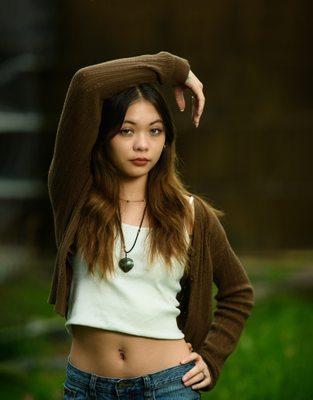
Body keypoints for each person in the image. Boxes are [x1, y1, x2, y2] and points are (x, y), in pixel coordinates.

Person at [47, 51, 255, 399]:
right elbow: (85, 84)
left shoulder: (191, 214)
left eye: (154, 131)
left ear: (166, 139)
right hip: (86, 388)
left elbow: (238, 293)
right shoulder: (75, 200)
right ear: (104, 138)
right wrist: (172, 68)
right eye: (126, 130)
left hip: (168, 386)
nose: (142, 144)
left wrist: (212, 357)